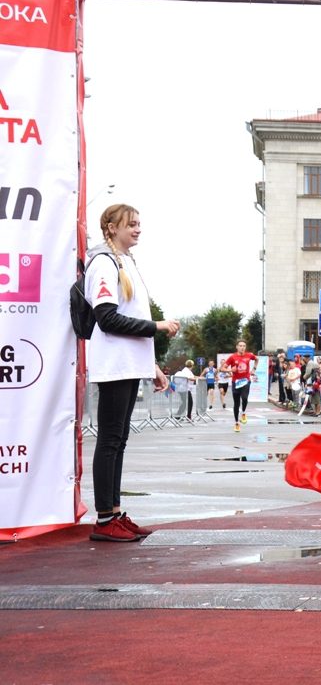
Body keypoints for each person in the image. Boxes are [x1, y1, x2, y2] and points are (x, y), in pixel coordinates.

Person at [85, 203, 180, 541]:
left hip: (128, 363)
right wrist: (157, 326)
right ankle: (104, 519)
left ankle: (113, 512)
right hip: (114, 364)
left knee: (119, 440)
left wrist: (150, 365)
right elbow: (107, 318)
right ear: (112, 228)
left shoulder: (126, 261)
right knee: (110, 440)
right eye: (131, 224)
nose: (138, 229)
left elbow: (131, 316)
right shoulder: (103, 262)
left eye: (139, 223)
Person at [222, 340, 257, 433]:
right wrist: (230, 370)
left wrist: (254, 369)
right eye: (240, 346)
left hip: (246, 380)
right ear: (237, 347)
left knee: (245, 398)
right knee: (236, 403)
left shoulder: (249, 355)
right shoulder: (232, 357)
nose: (242, 347)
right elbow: (222, 368)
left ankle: (243, 412)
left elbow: (256, 359)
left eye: (244, 346)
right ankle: (236, 423)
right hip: (236, 382)